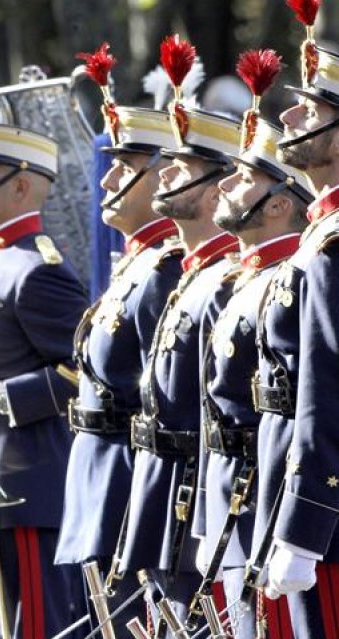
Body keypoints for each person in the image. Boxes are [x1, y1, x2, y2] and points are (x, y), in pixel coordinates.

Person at [0, 115, 89, 638]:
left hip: (25, 486)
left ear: (22, 186)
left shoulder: (38, 267)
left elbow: (85, 371)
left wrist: (3, 397)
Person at [55, 100, 183, 636]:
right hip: (100, 487)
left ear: (167, 175)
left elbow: (169, 405)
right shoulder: (137, 264)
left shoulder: (166, 269)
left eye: (127, 167)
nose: (107, 177)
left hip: (132, 490)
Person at [119, 74, 242, 629]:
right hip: (162, 490)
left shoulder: (223, 282)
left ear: (219, 190)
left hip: (196, 495)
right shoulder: (189, 274)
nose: (163, 174)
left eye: (182, 168)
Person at [194, 112, 311, 637]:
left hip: (261, 496)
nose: (225, 184)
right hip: (232, 501)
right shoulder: (245, 281)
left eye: (245, 179)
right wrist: (205, 517)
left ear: (280, 204)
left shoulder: (288, 281)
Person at [256, 43, 339, 634]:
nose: (287, 116)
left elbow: (326, 387)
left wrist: (306, 527)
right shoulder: (322, 235)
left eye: (309, 110)